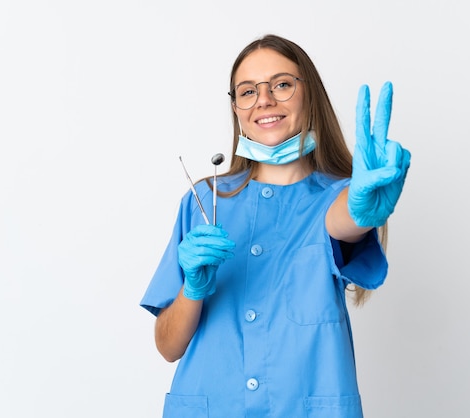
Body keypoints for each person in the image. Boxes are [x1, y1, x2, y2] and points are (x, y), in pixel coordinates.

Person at [140, 33, 411, 418]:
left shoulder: (337, 198)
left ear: (309, 94)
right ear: (236, 108)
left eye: (282, 85)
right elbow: (168, 347)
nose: (264, 100)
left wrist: (359, 211)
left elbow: (342, 223)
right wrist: (193, 289)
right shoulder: (203, 202)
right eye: (247, 91)